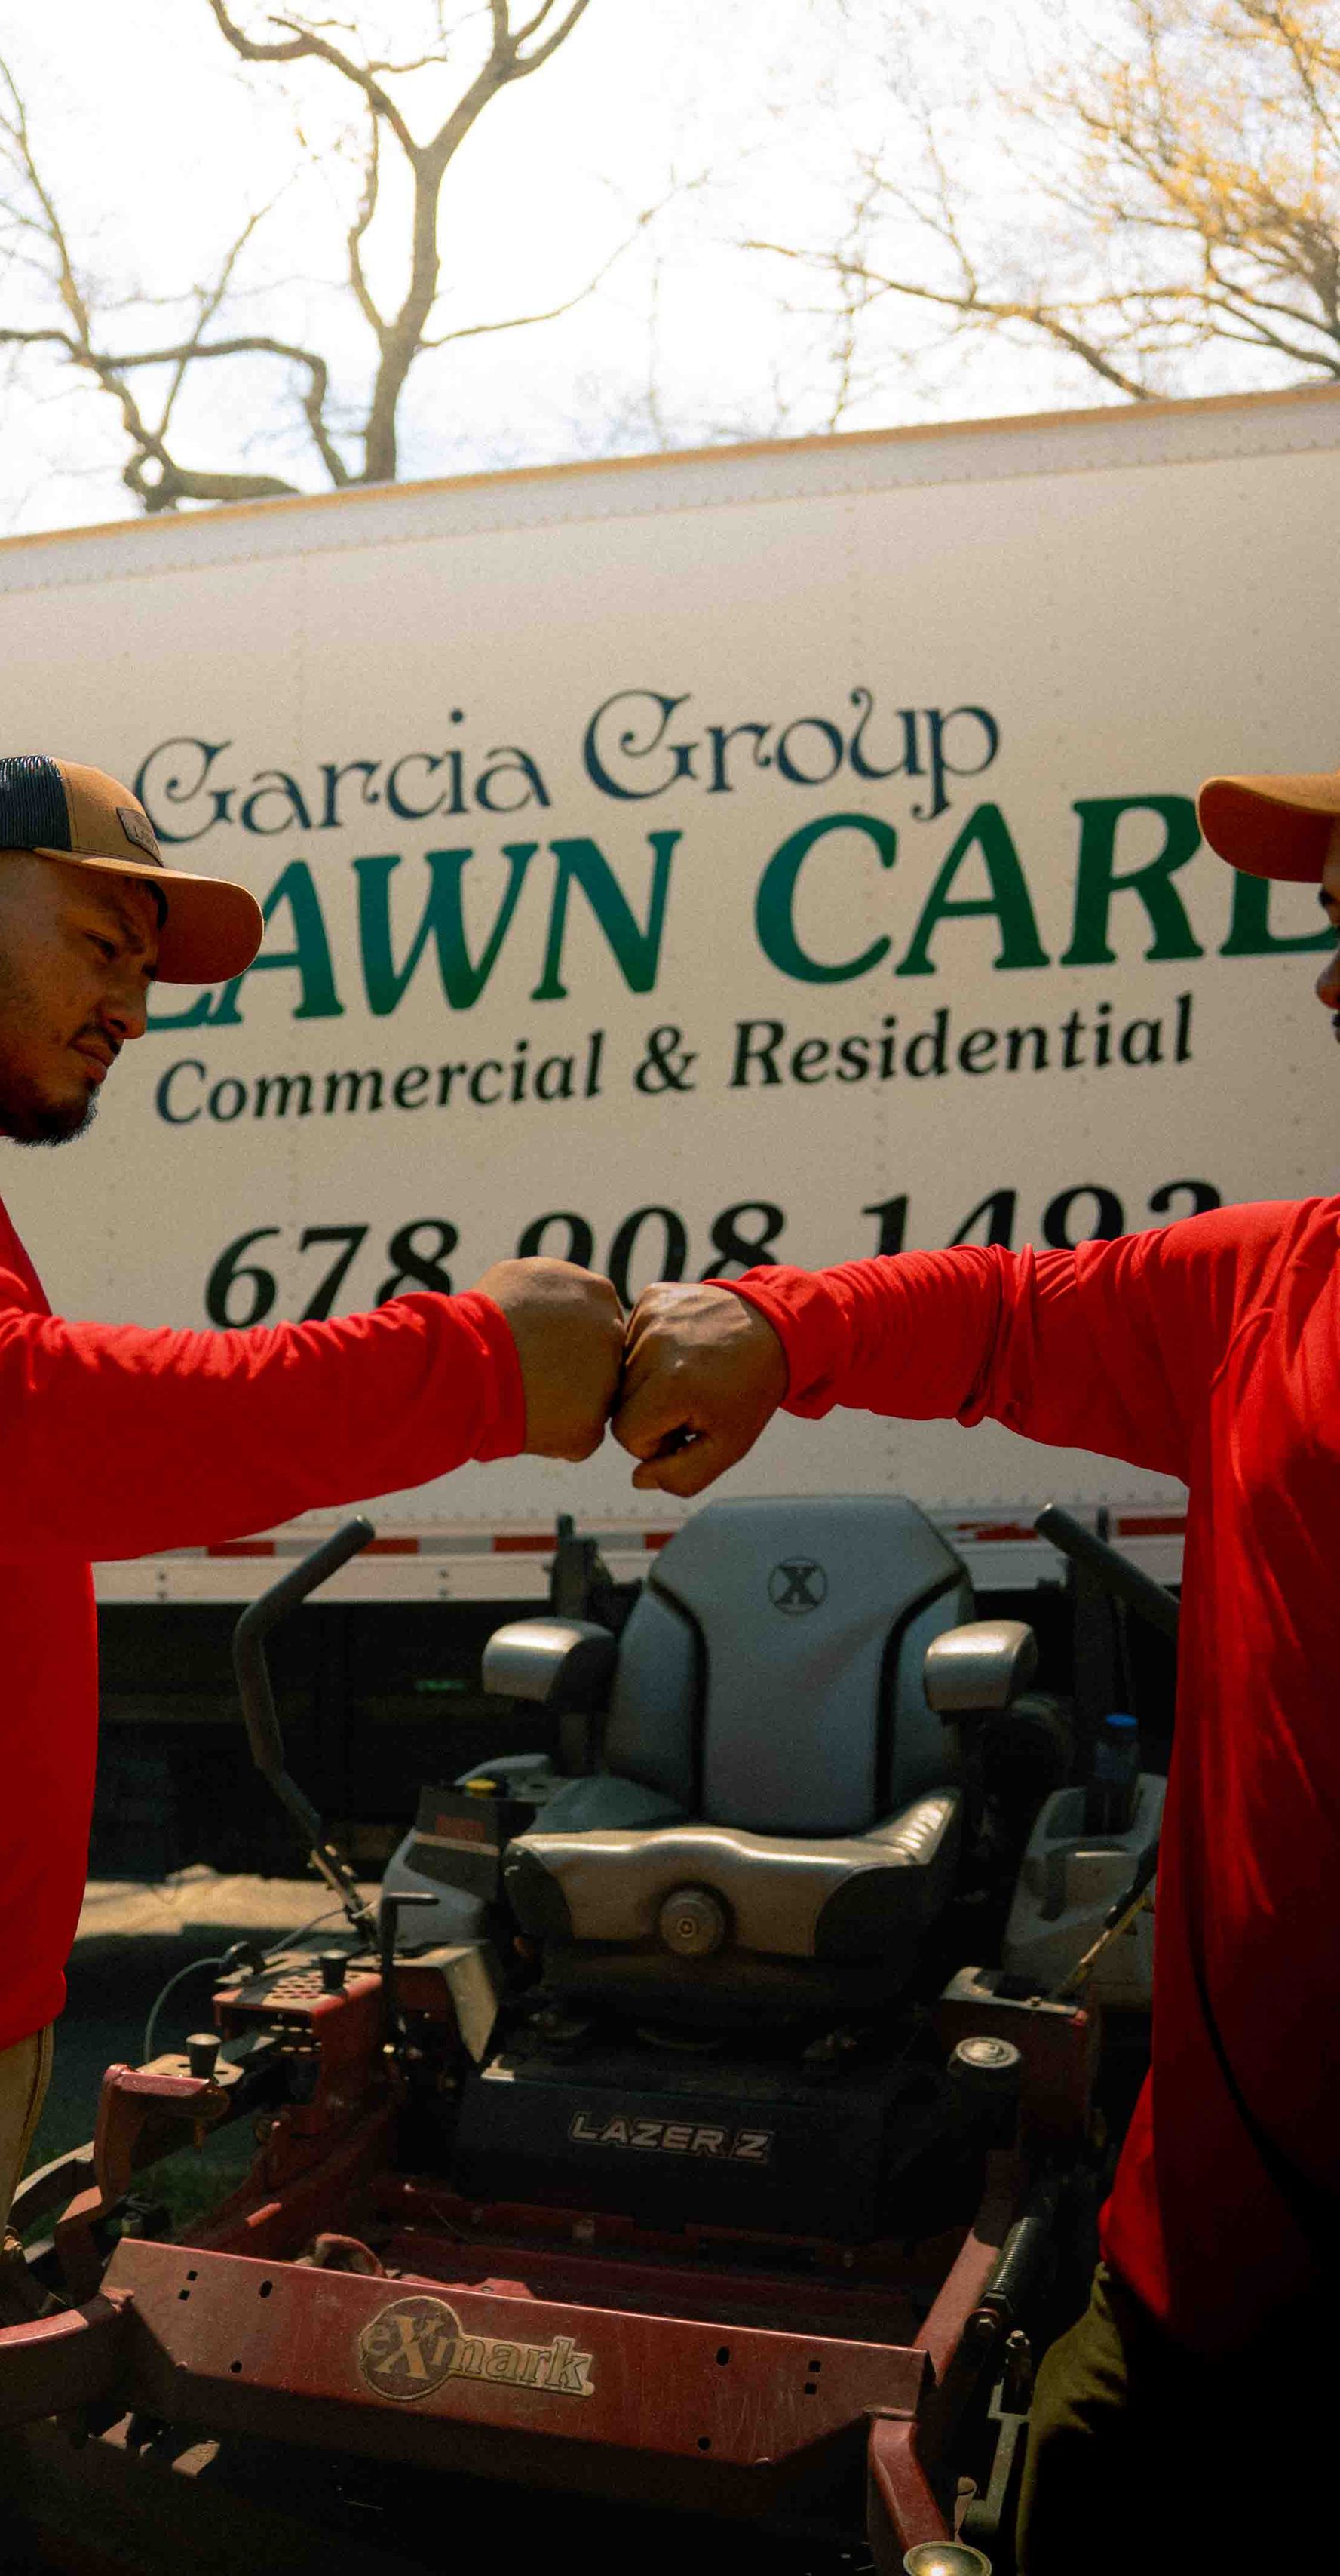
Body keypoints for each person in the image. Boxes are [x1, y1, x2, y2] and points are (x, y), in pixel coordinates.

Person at [0, 755, 622, 2571]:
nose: (132, 1008)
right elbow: (9, 1432)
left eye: (148, 969)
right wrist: (463, 1366)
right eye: (101, 943)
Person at [612, 766, 1340, 2566]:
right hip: (1200, 2286)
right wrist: (780, 1323)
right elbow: (1014, 1313)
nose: (1328, 978)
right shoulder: (1284, 1287)